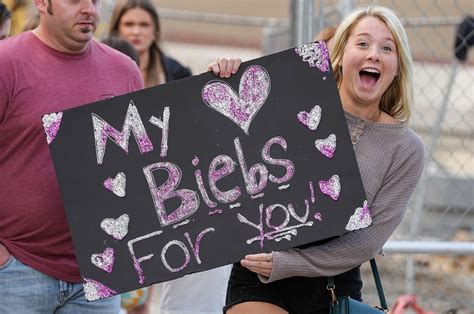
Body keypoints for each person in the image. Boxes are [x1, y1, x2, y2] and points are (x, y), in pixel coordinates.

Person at [209, 6, 425, 313]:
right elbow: (221, 158)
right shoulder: (287, 106)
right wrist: (223, 78)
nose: (374, 54)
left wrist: (288, 263)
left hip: (333, 283)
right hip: (260, 271)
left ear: (398, 66)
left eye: (386, 48)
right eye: (362, 43)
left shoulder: (406, 148)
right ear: (338, 55)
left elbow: (369, 240)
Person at [0, 0, 143, 312]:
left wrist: (220, 78)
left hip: (100, 274)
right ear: (41, 3)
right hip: (16, 271)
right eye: (75, 0)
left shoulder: (125, 72)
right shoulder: (6, 62)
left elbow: (142, 166)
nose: (89, 9)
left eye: (95, 0)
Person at [109, 0, 191, 88]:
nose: (136, 32)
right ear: (116, 30)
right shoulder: (102, 67)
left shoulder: (178, 73)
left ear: (155, 31)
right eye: (129, 24)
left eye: (144, 25)